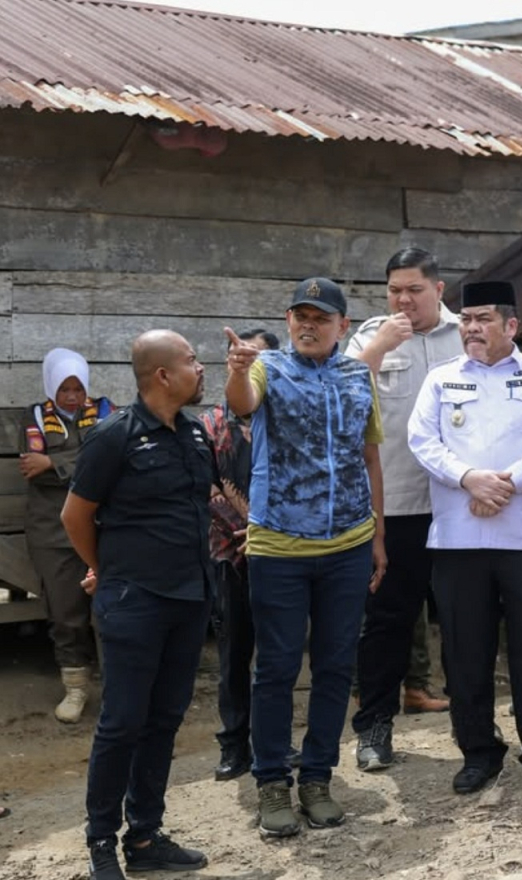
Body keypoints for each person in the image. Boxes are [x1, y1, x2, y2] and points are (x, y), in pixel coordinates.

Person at [225, 278, 387, 838]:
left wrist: (379, 539)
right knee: (275, 667)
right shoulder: (268, 368)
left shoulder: (358, 375)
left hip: (348, 544)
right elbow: (241, 403)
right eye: (300, 316)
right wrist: (238, 369)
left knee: (336, 666)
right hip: (280, 547)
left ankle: (317, 777)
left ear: (343, 326)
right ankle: (271, 781)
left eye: (321, 317)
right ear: (288, 321)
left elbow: (369, 458)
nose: (309, 325)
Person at [407, 280, 522, 794]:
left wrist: (506, 483)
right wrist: (468, 478)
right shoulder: (441, 380)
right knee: (465, 652)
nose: (472, 329)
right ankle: (478, 752)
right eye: (466, 320)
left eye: (483, 319)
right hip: (460, 540)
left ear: (510, 325)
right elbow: (422, 440)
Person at [61, 330, 213, 880]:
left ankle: (144, 836)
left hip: (190, 598)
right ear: (163, 376)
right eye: (193, 361)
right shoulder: (114, 437)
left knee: (165, 719)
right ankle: (101, 840)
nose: (202, 369)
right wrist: (107, 568)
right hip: (134, 600)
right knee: (123, 722)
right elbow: (75, 517)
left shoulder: (194, 434)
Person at [345, 247, 462, 772]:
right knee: (387, 622)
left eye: (414, 289)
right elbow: (338, 394)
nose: (403, 299)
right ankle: (374, 727)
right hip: (396, 505)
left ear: (438, 289)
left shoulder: (467, 334)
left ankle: (475, 728)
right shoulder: (371, 336)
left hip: (461, 502)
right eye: (394, 290)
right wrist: (378, 347)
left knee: (466, 617)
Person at [199, 329, 282, 782]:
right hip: (231, 554)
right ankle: (234, 744)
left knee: (278, 653)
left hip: (283, 553)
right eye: (242, 355)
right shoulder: (210, 425)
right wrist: (247, 529)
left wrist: (270, 531)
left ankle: (275, 740)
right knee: (234, 652)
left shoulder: (284, 416)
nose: (251, 363)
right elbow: (207, 488)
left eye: (260, 357)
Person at [21, 348, 114, 724]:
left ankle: (116, 688)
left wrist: (55, 463)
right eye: (64, 389)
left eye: (78, 388)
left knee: (110, 611)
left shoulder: (106, 414)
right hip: (52, 531)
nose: (73, 396)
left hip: (101, 527)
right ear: (51, 387)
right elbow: (32, 466)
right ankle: (76, 687)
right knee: (66, 613)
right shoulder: (34, 419)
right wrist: (79, 461)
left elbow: (109, 460)